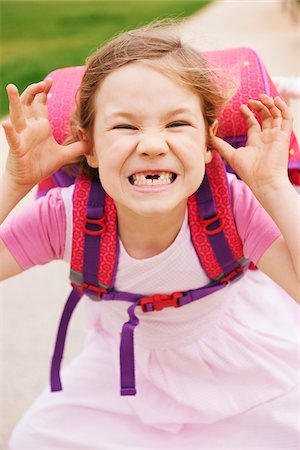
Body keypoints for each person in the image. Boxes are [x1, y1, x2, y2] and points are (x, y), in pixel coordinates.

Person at [0, 22, 299, 449]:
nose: (153, 145)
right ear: (89, 145)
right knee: (35, 439)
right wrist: (14, 182)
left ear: (208, 140)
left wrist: (271, 186)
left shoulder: (231, 206)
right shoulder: (68, 219)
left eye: (177, 123)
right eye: (125, 127)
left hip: (243, 362)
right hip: (123, 374)